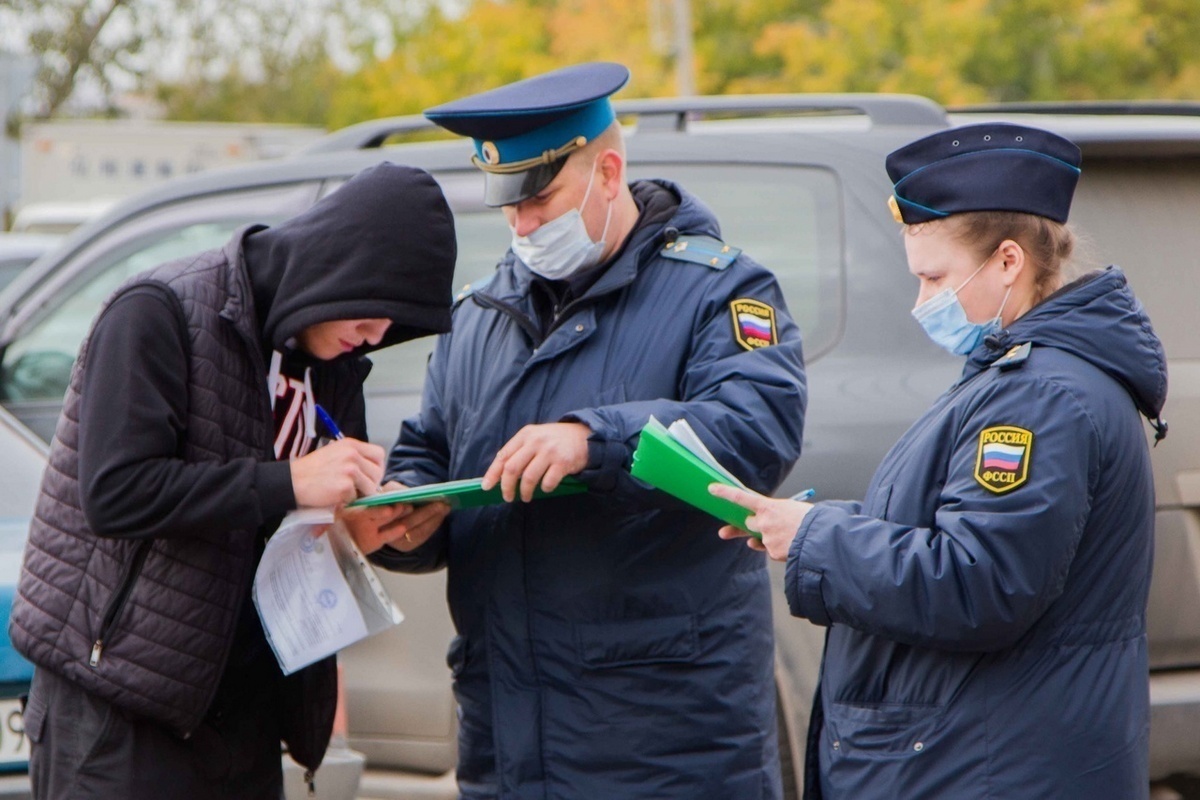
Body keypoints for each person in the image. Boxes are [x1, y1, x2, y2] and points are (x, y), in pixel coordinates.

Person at [343, 62, 807, 799]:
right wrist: (406, 511)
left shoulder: (720, 289)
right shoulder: (481, 315)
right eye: (508, 207)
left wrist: (596, 441)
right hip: (507, 729)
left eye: (542, 199)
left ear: (609, 171)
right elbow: (430, 444)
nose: (524, 225)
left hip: (662, 734)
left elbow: (757, 430)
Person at [711, 123, 1169, 799]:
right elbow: (959, 532)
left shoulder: (1039, 396)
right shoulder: (1024, 377)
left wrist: (816, 540)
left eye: (936, 277)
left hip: (995, 764)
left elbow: (979, 582)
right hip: (993, 753)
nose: (924, 300)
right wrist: (807, 527)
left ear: (1009, 261)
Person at [9, 162, 458, 800]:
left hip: (246, 708)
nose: (375, 338)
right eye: (375, 314)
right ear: (337, 268)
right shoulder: (158, 312)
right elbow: (115, 493)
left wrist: (367, 527)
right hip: (122, 707)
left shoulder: (335, 360)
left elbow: (306, 515)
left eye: (394, 329)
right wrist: (290, 482)